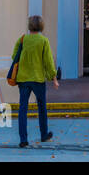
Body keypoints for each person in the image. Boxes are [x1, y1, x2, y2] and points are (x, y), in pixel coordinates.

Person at [12, 15, 59, 147]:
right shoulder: (43, 40)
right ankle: (43, 134)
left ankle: (23, 139)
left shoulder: (22, 40)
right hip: (38, 79)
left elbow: (14, 56)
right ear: (41, 26)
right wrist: (53, 78)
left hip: (23, 79)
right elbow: (48, 62)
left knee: (23, 108)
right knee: (42, 107)